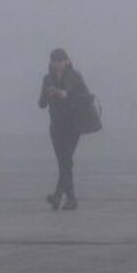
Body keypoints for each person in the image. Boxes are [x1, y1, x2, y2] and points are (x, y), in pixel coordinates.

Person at [38, 48, 91, 211]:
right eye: (54, 61)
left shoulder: (75, 77)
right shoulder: (47, 79)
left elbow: (86, 97)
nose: (57, 64)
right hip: (56, 126)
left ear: (67, 61)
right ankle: (59, 196)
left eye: (61, 60)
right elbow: (41, 104)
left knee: (66, 161)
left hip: (73, 124)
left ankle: (69, 198)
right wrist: (48, 94)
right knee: (64, 162)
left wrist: (66, 94)